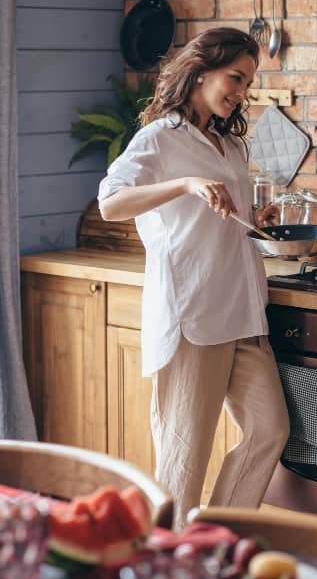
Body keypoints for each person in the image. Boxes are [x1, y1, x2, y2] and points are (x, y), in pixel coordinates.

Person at [97, 28, 290, 527]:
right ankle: (169, 567)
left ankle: (211, 540)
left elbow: (219, 218)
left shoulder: (229, 145)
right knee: (184, 462)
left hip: (243, 311)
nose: (241, 92)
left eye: (247, 83)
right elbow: (110, 203)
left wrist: (256, 216)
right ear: (202, 71)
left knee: (270, 429)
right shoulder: (161, 137)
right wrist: (184, 183)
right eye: (235, 78)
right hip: (192, 315)